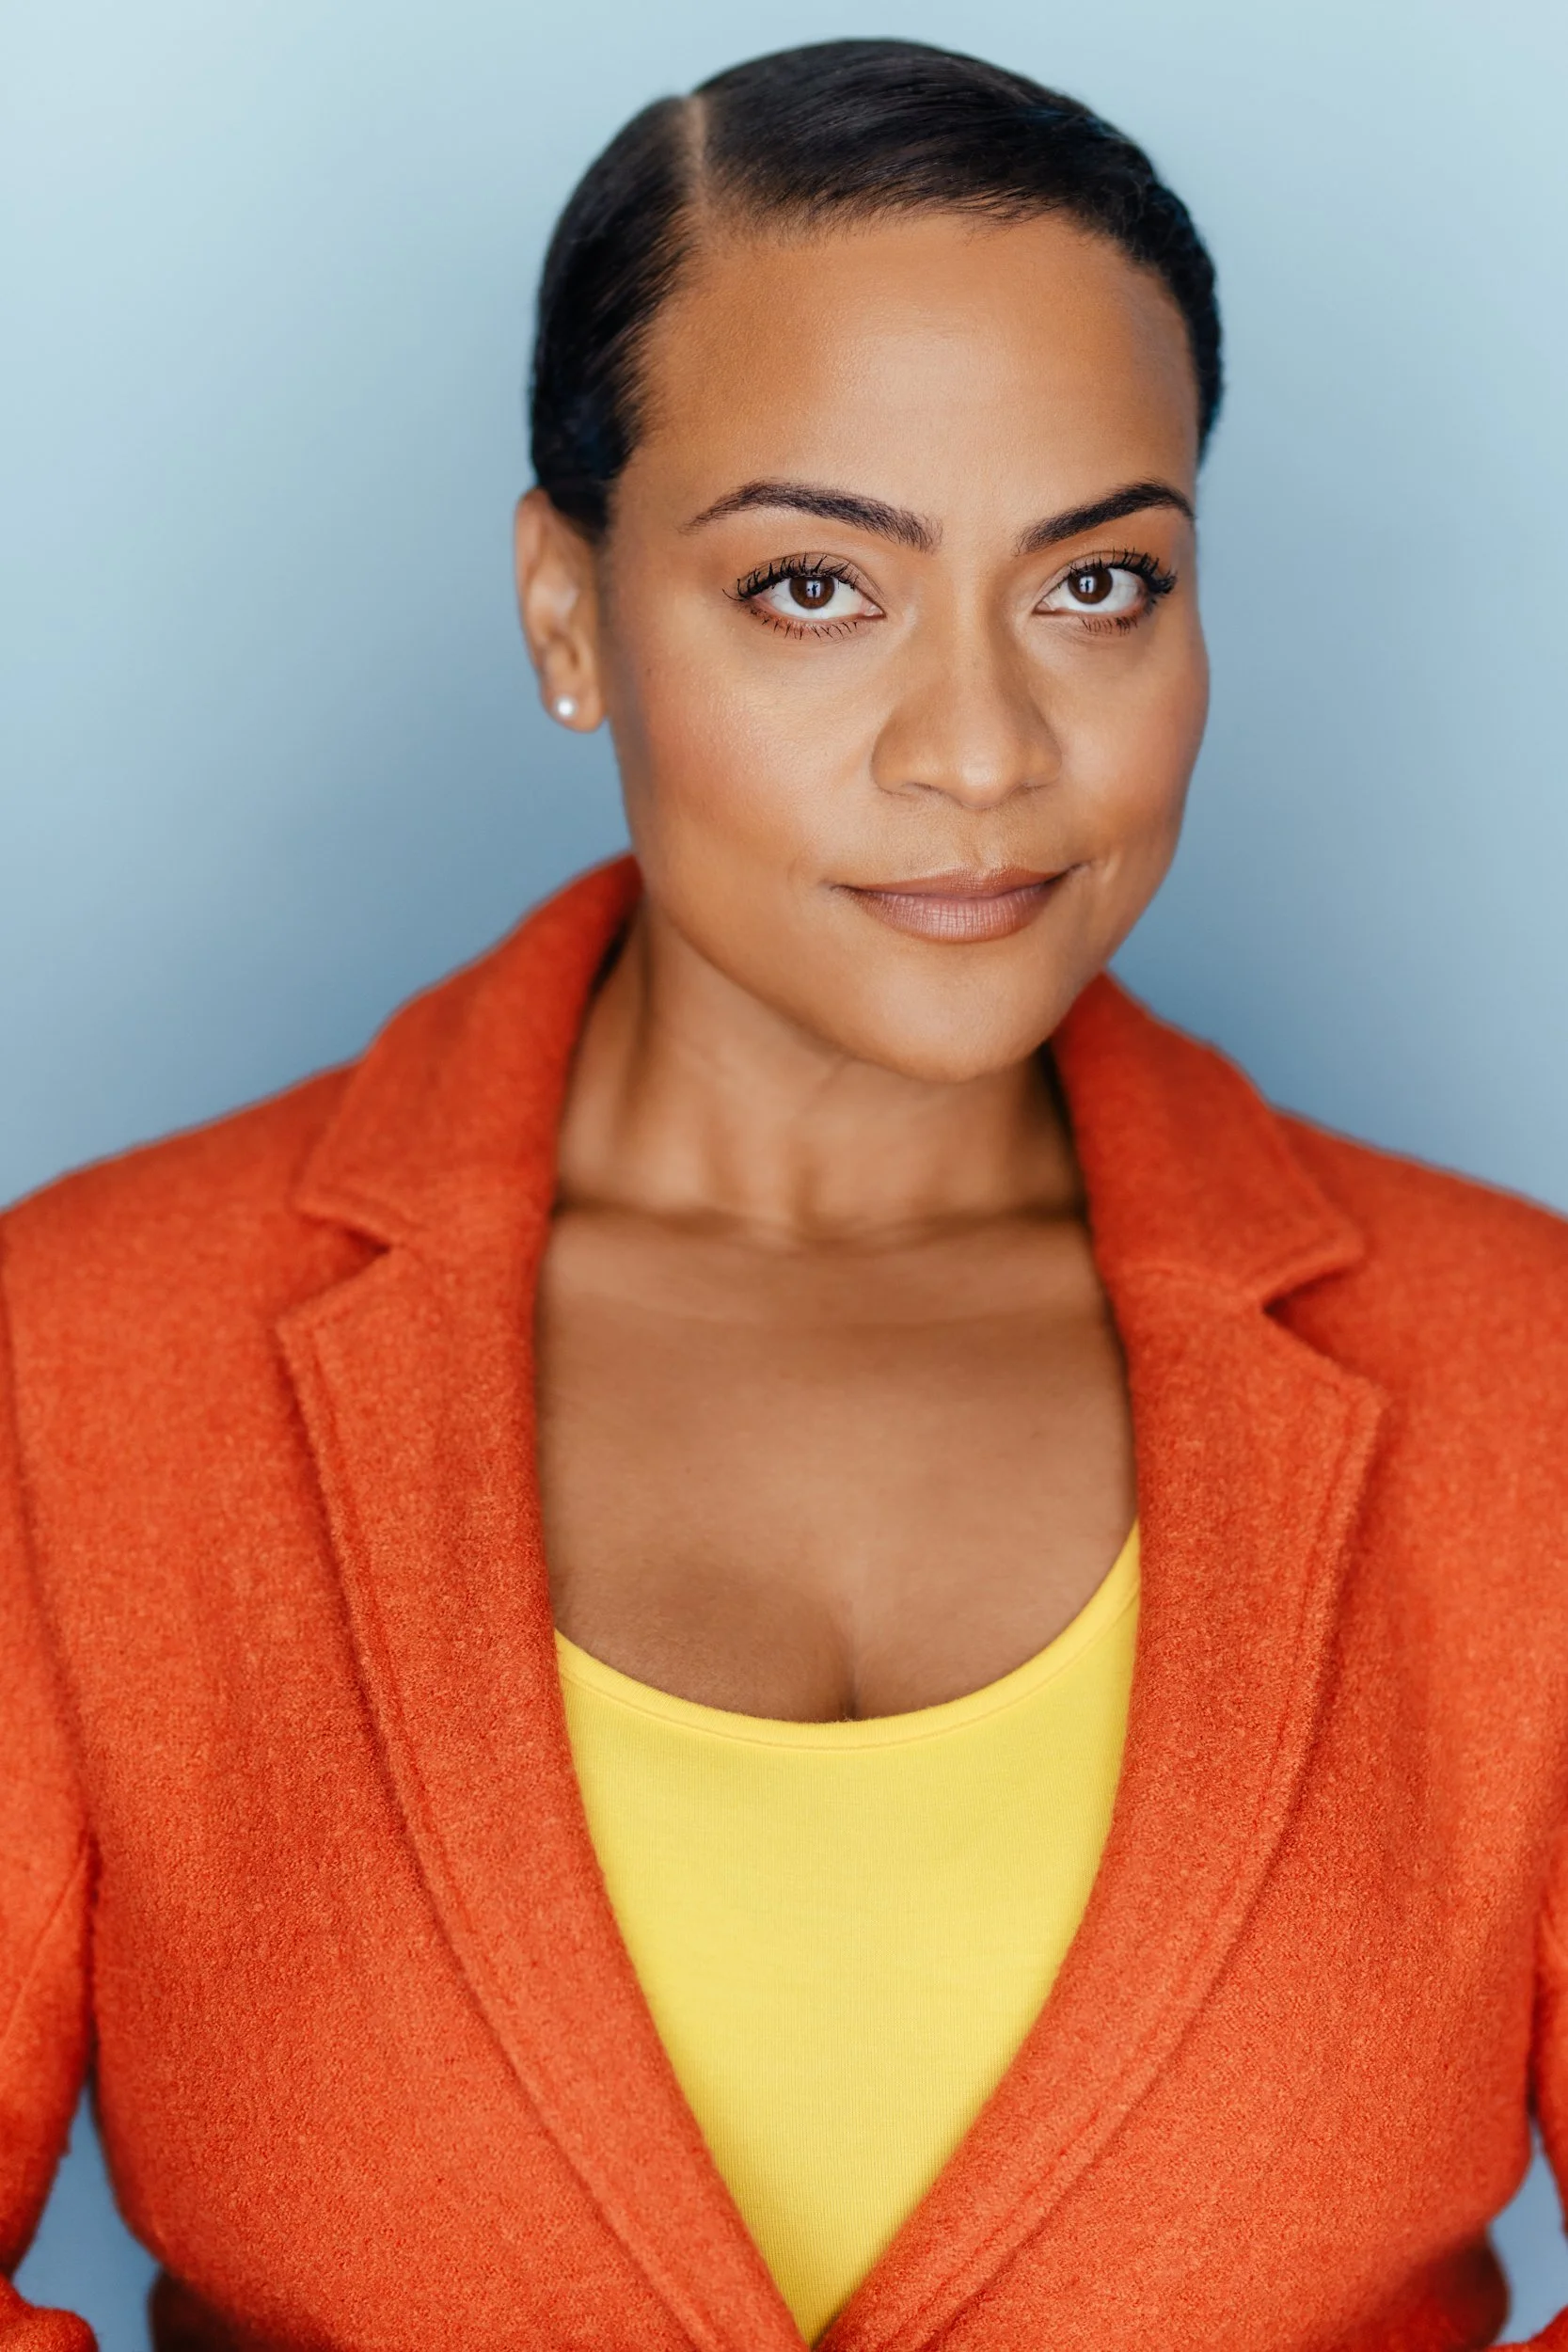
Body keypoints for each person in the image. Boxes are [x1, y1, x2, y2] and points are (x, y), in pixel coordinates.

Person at [3, 34, 1566, 2352]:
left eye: (1099, 581)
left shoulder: (1513, 1380)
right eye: (815, 587)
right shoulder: (81, 1363)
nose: (979, 748)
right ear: (567, 612)